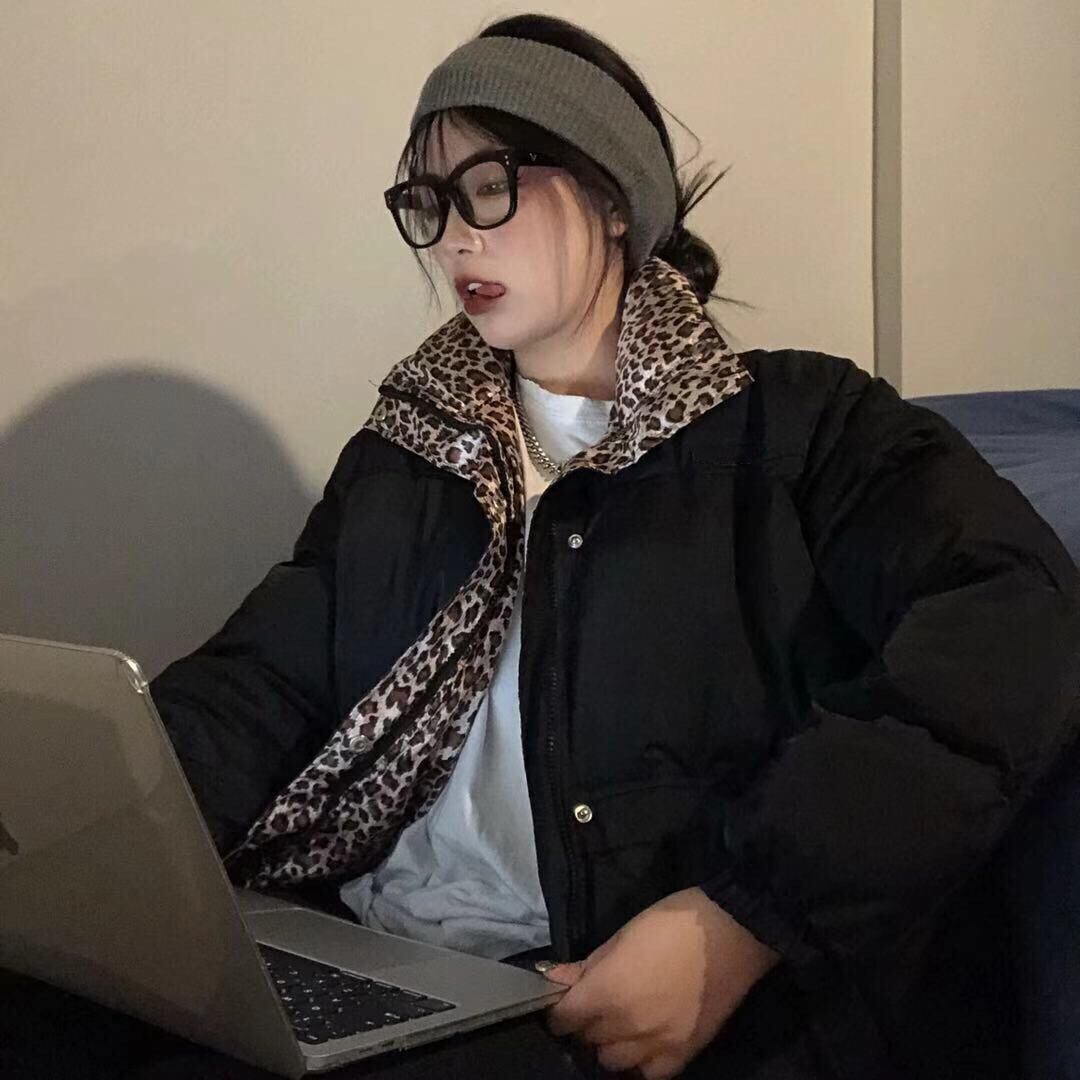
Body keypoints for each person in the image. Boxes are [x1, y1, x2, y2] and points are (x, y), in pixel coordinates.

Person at [150, 13, 1080, 1080]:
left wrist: (742, 918)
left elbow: (1016, 615)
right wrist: (104, 838)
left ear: (611, 195)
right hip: (369, 948)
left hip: (573, 998)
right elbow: (263, 685)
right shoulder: (410, 452)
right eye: (429, 201)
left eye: (488, 185)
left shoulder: (800, 429)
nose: (454, 238)